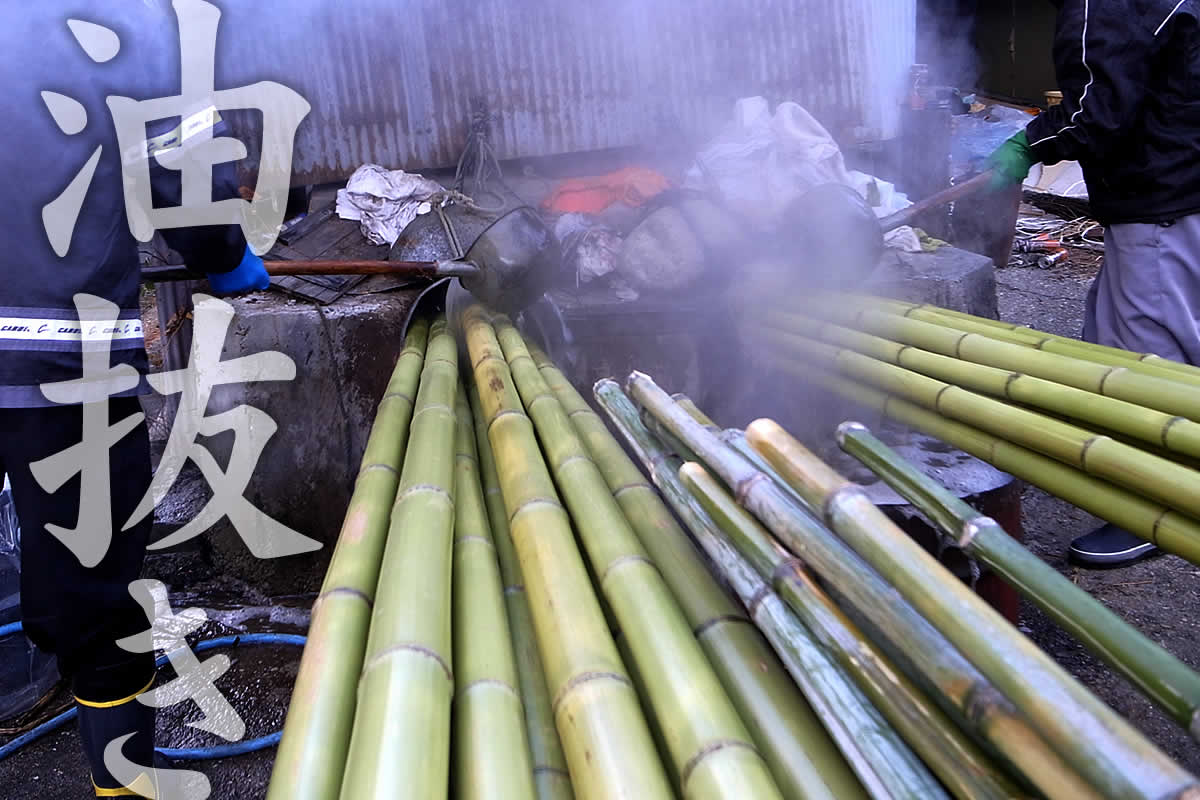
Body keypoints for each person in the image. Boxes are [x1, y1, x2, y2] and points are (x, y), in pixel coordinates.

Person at [2, 6, 270, 796]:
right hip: (60, 355)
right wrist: (223, 256)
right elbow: (183, 165)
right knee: (94, 602)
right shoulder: (123, 16)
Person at [988, 0, 1200, 567]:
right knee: (1111, 339)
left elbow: (1095, 111)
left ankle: (1156, 504)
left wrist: (1023, 146)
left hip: (1161, 196)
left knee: (1147, 357)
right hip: (1179, 184)